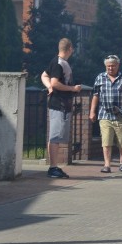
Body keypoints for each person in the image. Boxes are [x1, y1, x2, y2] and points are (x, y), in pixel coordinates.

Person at [41, 38, 82, 179]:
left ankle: (54, 166)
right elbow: (55, 82)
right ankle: (53, 168)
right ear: (70, 48)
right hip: (59, 105)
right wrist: (72, 88)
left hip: (60, 104)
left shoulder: (56, 61)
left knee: (56, 136)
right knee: (55, 137)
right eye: (73, 48)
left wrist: (49, 87)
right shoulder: (59, 64)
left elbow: (44, 75)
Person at [89, 54, 122, 173]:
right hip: (105, 114)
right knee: (106, 140)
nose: (111, 68)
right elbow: (96, 95)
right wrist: (92, 111)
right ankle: (107, 164)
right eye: (108, 66)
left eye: (113, 66)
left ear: (118, 65)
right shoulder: (100, 77)